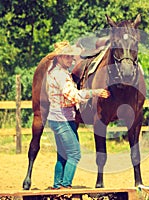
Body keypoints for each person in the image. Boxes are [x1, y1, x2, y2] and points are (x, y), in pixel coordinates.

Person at [46, 41, 110, 189]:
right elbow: (73, 95)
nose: (71, 60)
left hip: (56, 118)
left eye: (71, 57)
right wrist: (95, 92)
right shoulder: (61, 75)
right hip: (63, 119)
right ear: (59, 58)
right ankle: (65, 186)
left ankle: (57, 186)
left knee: (62, 155)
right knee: (74, 154)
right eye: (67, 57)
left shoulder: (55, 72)